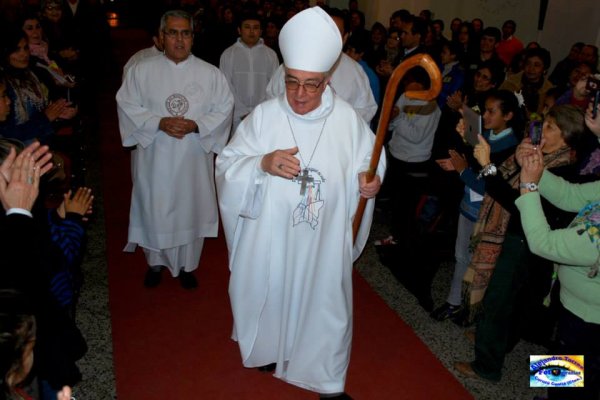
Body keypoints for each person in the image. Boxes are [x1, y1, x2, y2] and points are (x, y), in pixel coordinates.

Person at [215, 6, 384, 399]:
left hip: (322, 238)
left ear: (327, 81)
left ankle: (327, 379)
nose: (300, 95)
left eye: (311, 85)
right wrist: (262, 162)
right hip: (270, 234)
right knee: (271, 289)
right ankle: (271, 348)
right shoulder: (265, 116)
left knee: (328, 305)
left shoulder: (345, 119)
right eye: (292, 83)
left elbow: (369, 161)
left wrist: (370, 181)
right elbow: (227, 164)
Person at [116, 9, 234, 289]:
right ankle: (155, 262)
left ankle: (187, 265)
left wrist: (197, 126)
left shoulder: (210, 74)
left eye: (185, 33)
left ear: (193, 37)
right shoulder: (140, 71)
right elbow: (127, 105)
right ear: (161, 37)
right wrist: (158, 122)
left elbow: (225, 108)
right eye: (173, 33)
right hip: (154, 154)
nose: (179, 40)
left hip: (192, 155)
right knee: (154, 206)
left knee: (189, 207)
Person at [516, 125, 600, 399]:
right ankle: (548, 392)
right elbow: (572, 195)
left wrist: (528, 186)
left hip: (589, 322)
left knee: (575, 386)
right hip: (574, 308)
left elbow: (544, 243)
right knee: (560, 368)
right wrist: (537, 170)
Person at [431, 90, 520, 322]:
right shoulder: (488, 135)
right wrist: (458, 164)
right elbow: (477, 165)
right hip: (469, 205)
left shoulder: (512, 147)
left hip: (485, 214)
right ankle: (455, 302)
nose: (486, 116)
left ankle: (467, 309)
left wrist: (462, 170)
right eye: (485, 110)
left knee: (475, 263)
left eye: (492, 112)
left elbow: (492, 187)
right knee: (461, 256)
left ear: (509, 115)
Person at [266, 8, 377, 125]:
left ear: (345, 37)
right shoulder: (293, 63)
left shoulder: (355, 71)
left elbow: (366, 109)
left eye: (336, 33)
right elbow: (272, 99)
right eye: (325, 31)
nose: (329, 38)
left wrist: (336, 121)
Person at [219, 11, 279, 131]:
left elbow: (275, 86)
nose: (252, 32)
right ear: (239, 30)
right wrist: (242, 112)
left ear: (261, 31)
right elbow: (225, 86)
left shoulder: (271, 55)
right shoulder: (228, 54)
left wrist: (259, 111)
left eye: (256, 28)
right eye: (247, 27)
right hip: (236, 116)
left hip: (263, 114)